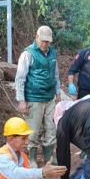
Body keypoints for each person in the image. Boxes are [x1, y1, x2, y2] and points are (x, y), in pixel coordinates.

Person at [15, 25, 61, 168]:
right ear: (37, 37)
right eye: (43, 40)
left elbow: (56, 74)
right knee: (33, 131)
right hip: (34, 98)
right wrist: (21, 100)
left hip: (50, 98)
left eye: (47, 41)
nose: (45, 43)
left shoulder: (52, 53)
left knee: (51, 129)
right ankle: (32, 160)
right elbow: (20, 78)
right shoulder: (28, 54)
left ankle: (48, 158)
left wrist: (58, 92)